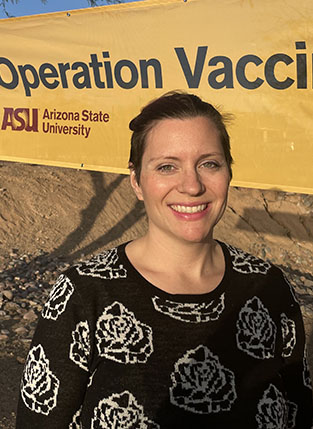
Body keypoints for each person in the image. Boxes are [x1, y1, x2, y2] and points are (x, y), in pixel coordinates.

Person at [16, 92, 312, 428]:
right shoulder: (84, 295)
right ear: (137, 181)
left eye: (209, 163)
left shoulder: (269, 289)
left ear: (229, 172)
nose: (191, 185)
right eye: (167, 166)